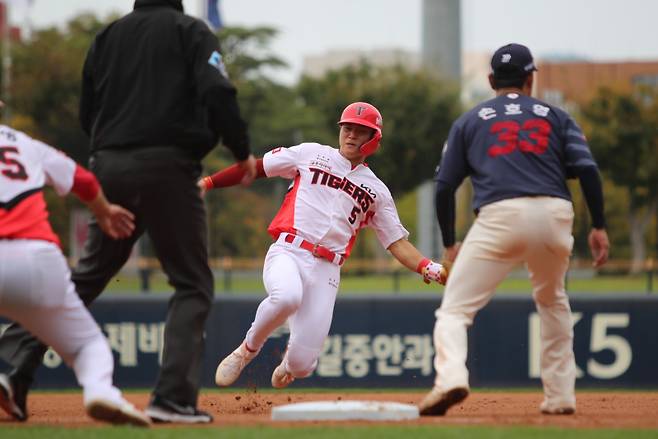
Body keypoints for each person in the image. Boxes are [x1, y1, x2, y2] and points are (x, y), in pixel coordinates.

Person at [0, 0, 256, 424]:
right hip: (168, 167)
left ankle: (11, 372)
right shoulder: (190, 31)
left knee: (83, 279)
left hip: (110, 166)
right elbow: (217, 90)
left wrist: (112, 148)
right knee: (192, 283)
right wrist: (241, 149)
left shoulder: (107, 36)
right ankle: (172, 399)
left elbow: (86, 110)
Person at [418, 43, 610, 416]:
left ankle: (451, 379)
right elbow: (587, 169)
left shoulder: (470, 120)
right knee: (553, 300)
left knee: (454, 311)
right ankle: (560, 396)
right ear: (529, 79)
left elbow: (444, 186)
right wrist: (599, 225)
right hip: (555, 213)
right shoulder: (556, 116)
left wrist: (449, 243)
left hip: (500, 214)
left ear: (491, 80)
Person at [199, 101, 447, 389]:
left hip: (327, 270)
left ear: (374, 139)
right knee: (286, 297)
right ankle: (246, 351)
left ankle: (289, 363)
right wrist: (208, 182)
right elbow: (256, 167)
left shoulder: (377, 190)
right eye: (347, 128)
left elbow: (397, 243)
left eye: (360, 131)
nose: (351, 135)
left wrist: (429, 268)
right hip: (289, 250)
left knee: (302, 367)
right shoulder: (310, 153)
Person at [0, 122, 150, 426]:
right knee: (87, 346)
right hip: (36, 257)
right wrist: (105, 212)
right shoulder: (24, 143)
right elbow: (84, 180)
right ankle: (100, 391)